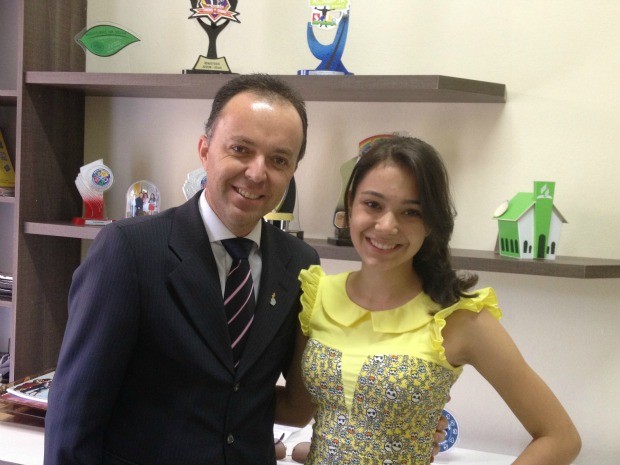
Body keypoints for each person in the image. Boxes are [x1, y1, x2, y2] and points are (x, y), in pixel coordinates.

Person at [44, 74, 320, 465]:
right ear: (205, 150)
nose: (258, 173)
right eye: (240, 149)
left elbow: (282, 396)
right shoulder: (129, 250)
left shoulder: (300, 263)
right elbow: (76, 411)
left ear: (292, 170)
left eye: (279, 160)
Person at [275, 135, 581, 464]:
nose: (387, 226)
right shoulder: (317, 296)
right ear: (350, 206)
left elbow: (560, 438)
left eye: (411, 212)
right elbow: (296, 410)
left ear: (432, 222)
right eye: (373, 204)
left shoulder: (459, 318)